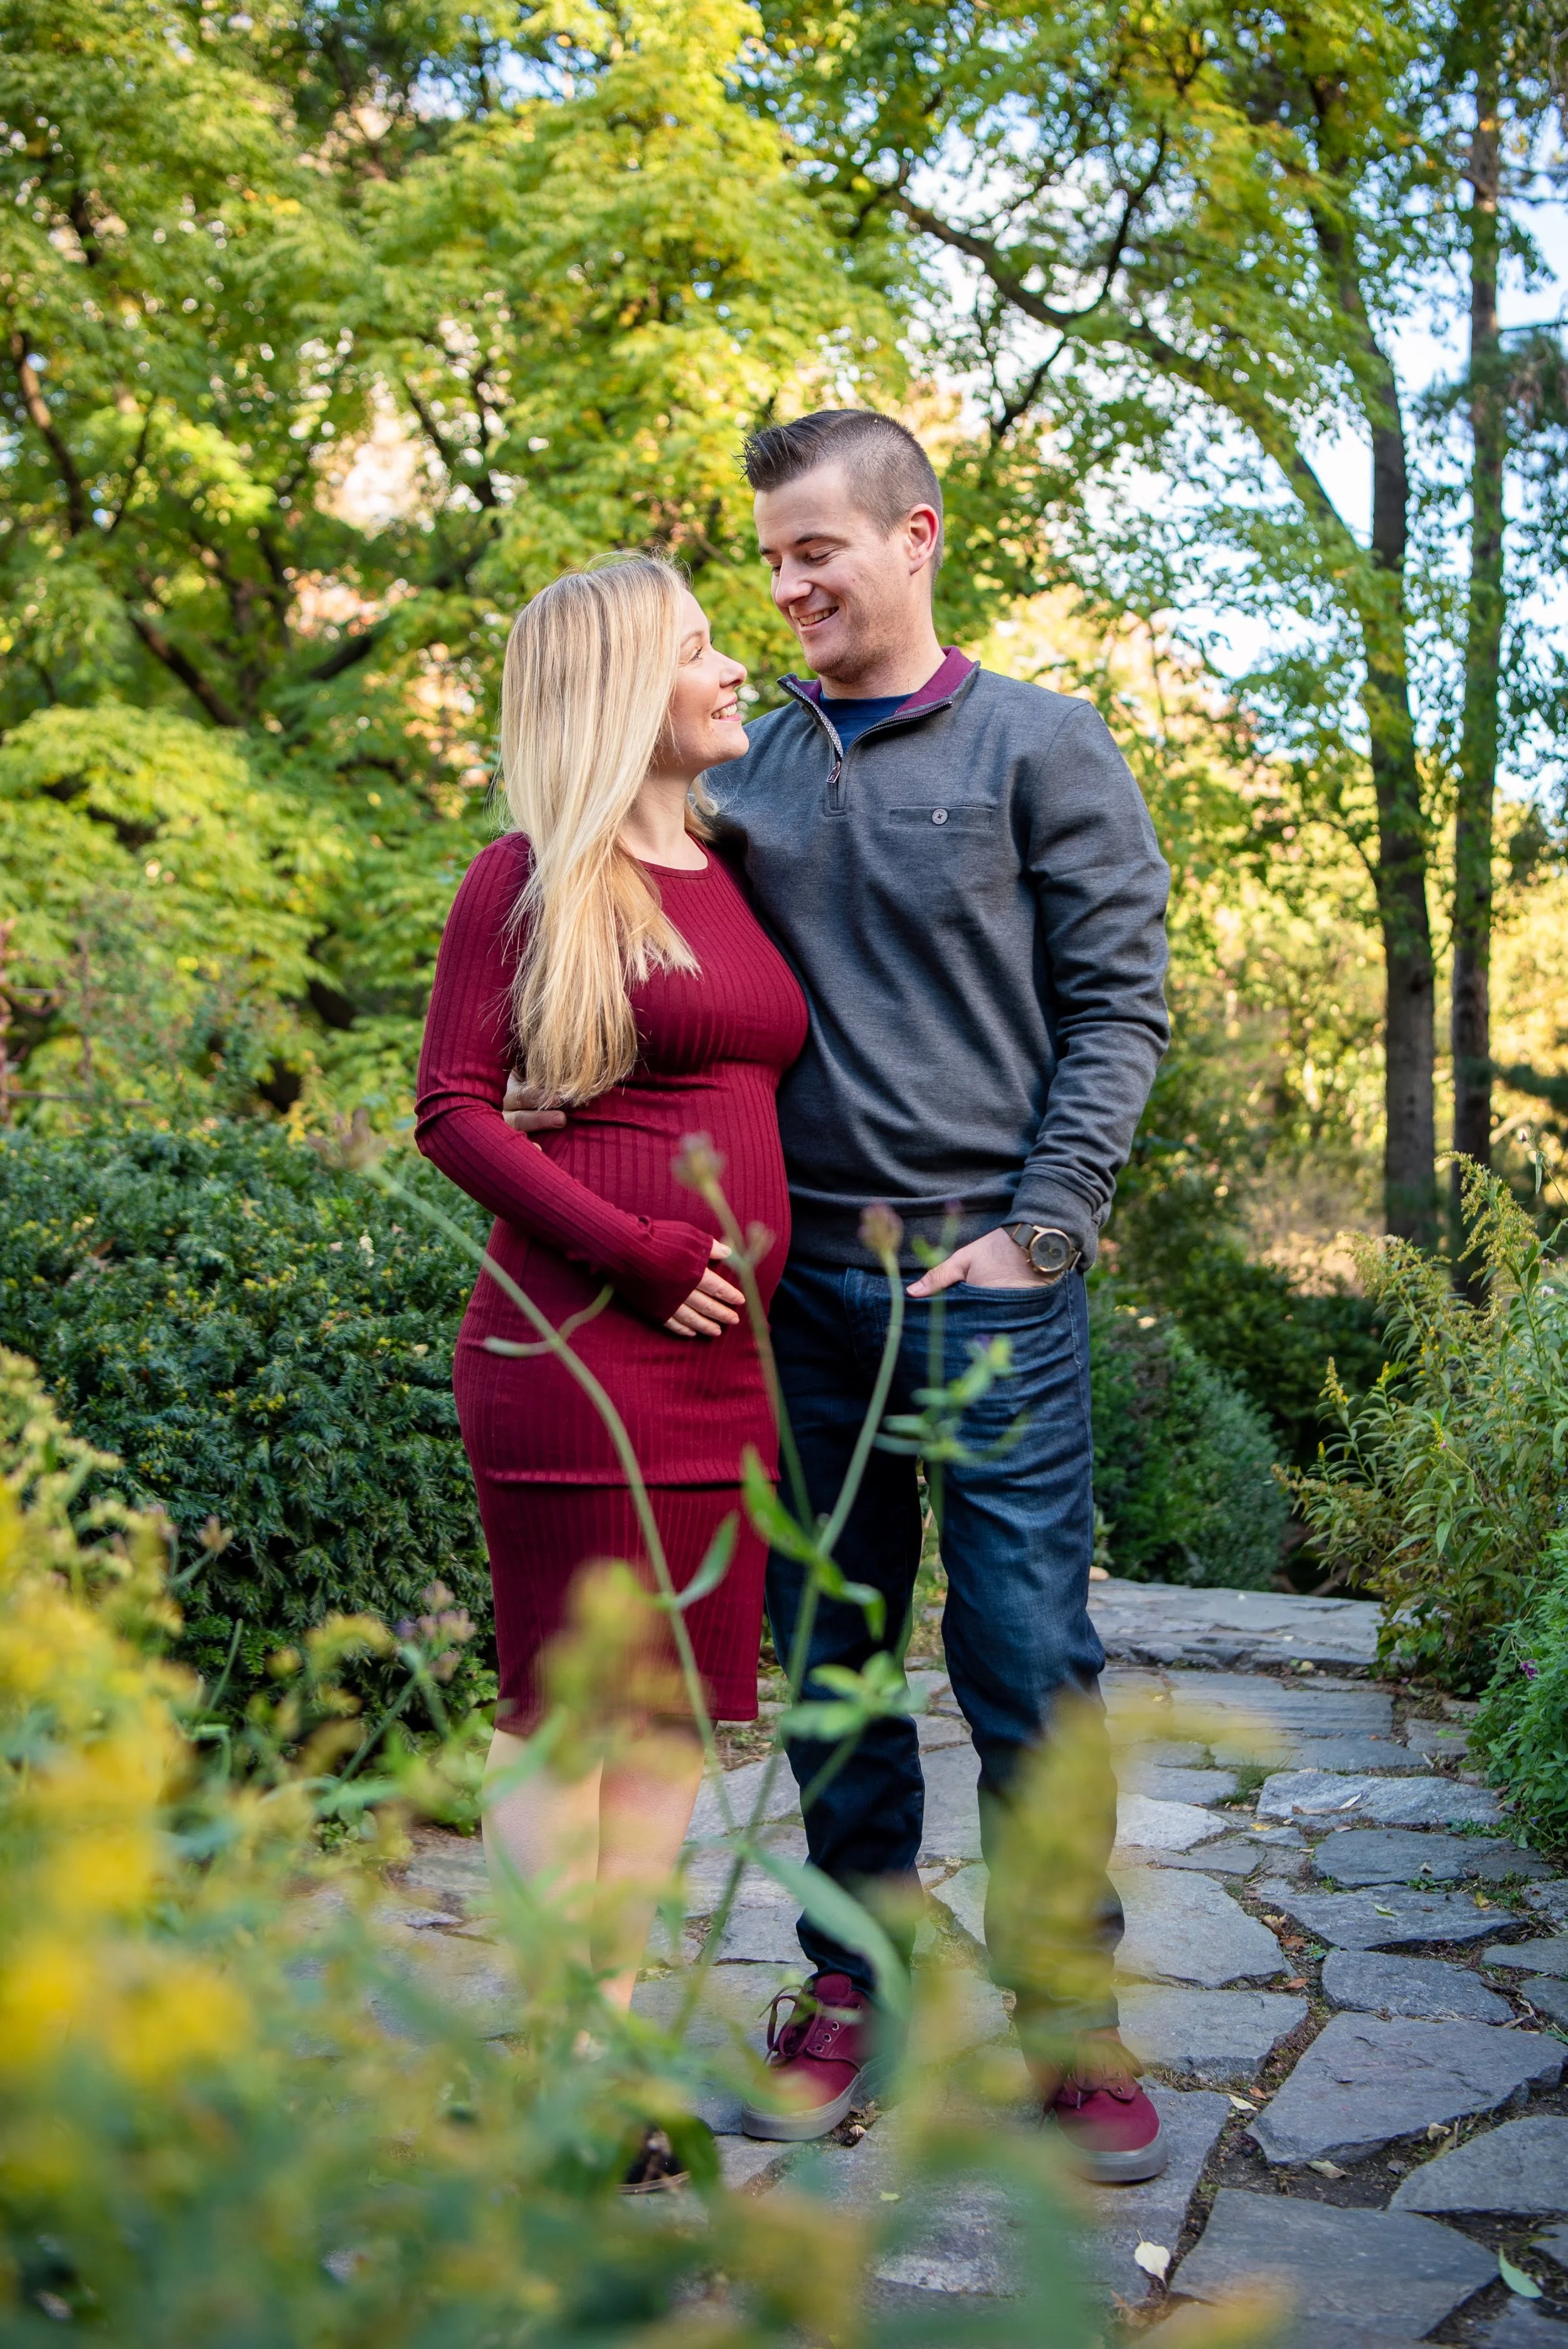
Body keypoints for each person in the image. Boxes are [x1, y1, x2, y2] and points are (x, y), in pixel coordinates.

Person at [507, 411, 1172, 2185]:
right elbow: (625, 917)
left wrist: (1042, 1231)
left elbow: (1120, 1008)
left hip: (988, 1278)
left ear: (915, 535)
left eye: (818, 550)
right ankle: (846, 1985)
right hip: (796, 1296)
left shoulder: (1042, 744)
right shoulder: (748, 778)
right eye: (772, 558)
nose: (788, 585)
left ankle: (1064, 2022)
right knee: (831, 1660)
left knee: (1027, 1654)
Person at [416, 555, 808, 2185]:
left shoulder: (738, 866)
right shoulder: (525, 878)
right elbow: (452, 1111)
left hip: (726, 1378)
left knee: (662, 1727)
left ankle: (618, 2053)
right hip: (569, 1355)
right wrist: (638, 1254)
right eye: (702, 648)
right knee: (564, 1720)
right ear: (621, 692)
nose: (734, 670)